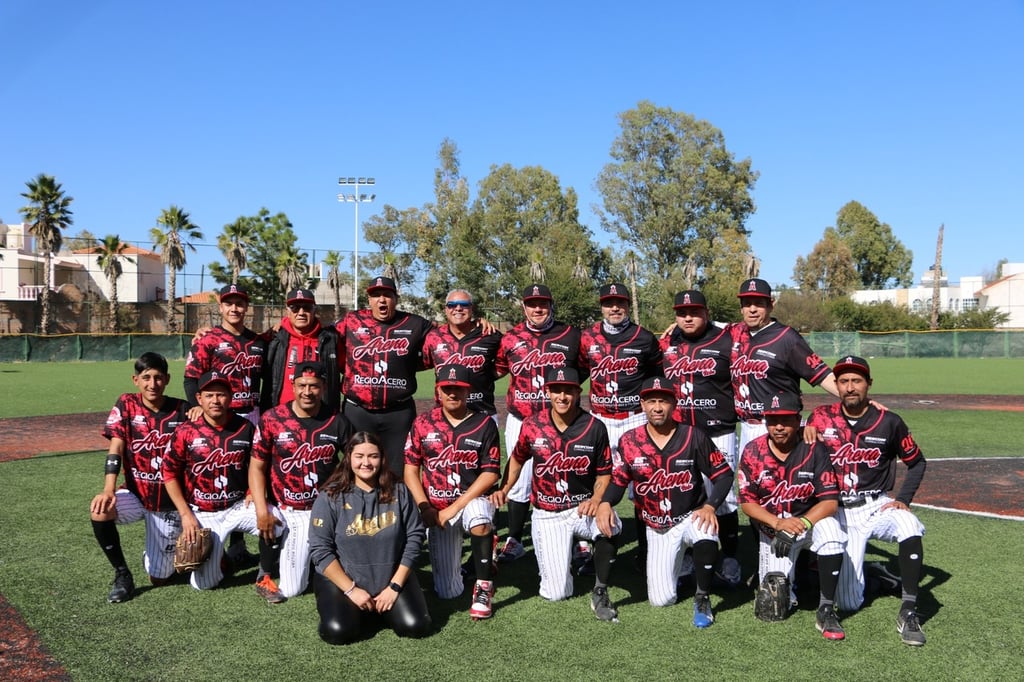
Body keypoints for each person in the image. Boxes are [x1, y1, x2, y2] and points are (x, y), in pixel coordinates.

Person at [806, 356, 928, 646]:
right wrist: (803, 430)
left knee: (909, 526)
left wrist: (904, 499)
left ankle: (909, 609)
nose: (850, 387)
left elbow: (917, 462)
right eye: (844, 381)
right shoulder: (819, 417)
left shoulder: (889, 422)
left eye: (857, 381)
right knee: (849, 602)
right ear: (836, 385)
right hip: (835, 509)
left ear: (868, 384)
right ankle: (875, 574)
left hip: (874, 505)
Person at [597, 376, 734, 627]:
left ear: (675, 404)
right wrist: (606, 502)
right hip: (656, 526)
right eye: (651, 401)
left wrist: (710, 506)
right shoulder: (630, 440)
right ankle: (688, 567)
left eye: (663, 401)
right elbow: (618, 480)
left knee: (706, 532)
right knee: (662, 599)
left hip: (690, 515)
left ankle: (702, 596)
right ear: (642, 404)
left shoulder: (693, 436)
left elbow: (724, 474)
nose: (657, 407)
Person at [491, 367, 622, 622]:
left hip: (581, 507)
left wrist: (597, 501)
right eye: (556, 391)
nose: (562, 397)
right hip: (547, 512)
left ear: (578, 392)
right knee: (557, 593)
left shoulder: (594, 426)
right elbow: (517, 460)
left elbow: (605, 473)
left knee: (612, 523)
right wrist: (505, 488)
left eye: (569, 391)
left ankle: (600, 589)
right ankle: (563, 560)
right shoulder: (532, 425)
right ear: (548, 392)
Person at [738, 391, 846, 640]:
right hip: (773, 530)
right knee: (776, 608)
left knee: (831, 532)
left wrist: (803, 522)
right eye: (772, 420)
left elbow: (830, 502)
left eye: (786, 420)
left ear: (798, 421)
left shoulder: (814, 449)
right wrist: (778, 523)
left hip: (809, 523)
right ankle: (806, 577)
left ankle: (827, 609)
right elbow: (748, 503)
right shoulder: (753, 451)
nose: (778, 426)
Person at [161, 371, 282, 590]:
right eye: (209, 395)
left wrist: (250, 493)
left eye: (221, 395)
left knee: (276, 520)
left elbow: (258, 466)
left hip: (237, 506)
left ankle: (265, 573)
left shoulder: (245, 428)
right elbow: (169, 473)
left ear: (230, 397)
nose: (215, 400)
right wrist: (185, 515)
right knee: (204, 585)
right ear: (199, 399)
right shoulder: (185, 432)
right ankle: (222, 560)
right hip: (203, 511)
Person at [308, 432, 432, 644]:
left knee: (415, 626)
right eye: (359, 456)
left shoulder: (399, 490)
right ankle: (357, 610)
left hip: (389, 578)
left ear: (382, 458)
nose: (366, 462)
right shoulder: (330, 496)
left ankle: (378, 609)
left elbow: (415, 537)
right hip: (345, 581)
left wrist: (394, 587)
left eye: (373, 456)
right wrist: (351, 590)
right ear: (348, 458)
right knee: (337, 631)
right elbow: (320, 550)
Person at [494, 283, 586, 563]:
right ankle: (514, 539)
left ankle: (580, 540)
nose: (537, 309)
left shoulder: (570, 335)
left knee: (570, 476)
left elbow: (584, 366)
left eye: (543, 304)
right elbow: (497, 368)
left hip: (561, 420)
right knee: (518, 479)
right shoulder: (510, 338)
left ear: (550, 306)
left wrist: (563, 393)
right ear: (524, 307)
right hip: (521, 418)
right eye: (532, 304)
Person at [403, 364, 502, 620]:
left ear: (468, 391)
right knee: (448, 591)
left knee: (480, 518)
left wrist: (454, 508)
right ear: (438, 390)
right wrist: (424, 506)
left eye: (458, 388)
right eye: (447, 388)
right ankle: (482, 556)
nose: (452, 394)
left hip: (469, 501)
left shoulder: (483, 423)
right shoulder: (423, 423)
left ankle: (483, 588)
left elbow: (490, 473)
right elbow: (410, 469)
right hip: (435, 508)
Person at [249, 361, 353, 602]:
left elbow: (354, 463)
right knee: (294, 589)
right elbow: (257, 466)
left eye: (314, 386)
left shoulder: (337, 421)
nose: (308, 392)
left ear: (324, 387)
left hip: (322, 507)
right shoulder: (273, 418)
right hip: (284, 507)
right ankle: (266, 570)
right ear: (292, 385)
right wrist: (261, 507)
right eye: (302, 385)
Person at [90, 352, 189, 603]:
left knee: (160, 577)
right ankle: (122, 573)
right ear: (136, 380)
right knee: (101, 510)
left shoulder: (182, 410)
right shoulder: (127, 404)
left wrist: (199, 410)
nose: (152, 384)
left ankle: (159, 553)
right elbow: (116, 449)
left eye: (158, 377)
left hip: (167, 504)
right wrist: (108, 489)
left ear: (167, 379)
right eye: (146, 378)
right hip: (135, 494)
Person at [659, 290, 742, 587]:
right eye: (682, 312)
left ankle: (730, 556)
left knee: (725, 498)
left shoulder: (727, 338)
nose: (688, 317)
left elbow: (761, 324)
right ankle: (691, 555)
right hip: (681, 433)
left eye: (694, 311)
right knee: (688, 494)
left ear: (706, 312)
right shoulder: (667, 343)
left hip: (718, 430)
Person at [183, 282, 266, 568]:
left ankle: (240, 543)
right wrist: (194, 405)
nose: (234, 308)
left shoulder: (257, 342)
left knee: (247, 477)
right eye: (229, 303)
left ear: (247, 307)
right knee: (224, 471)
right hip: (221, 417)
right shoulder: (207, 340)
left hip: (251, 413)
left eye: (240, 303)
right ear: (220, 307)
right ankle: (223, 538)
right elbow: (191, 377)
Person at [335, 276, 434, 475]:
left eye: (387, 295)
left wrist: (477, 324)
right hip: (357, 410)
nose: (381, 300)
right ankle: (359, 506)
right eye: (376, 295)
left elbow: (447, 339)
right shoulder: (351, 321)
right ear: (369, 299)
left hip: (398, 412)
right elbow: (321, 337)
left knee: (398, 470)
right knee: (358, 468)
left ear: (395, 298)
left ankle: (394, 506)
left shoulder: (415, 323)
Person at [729, 278, 838, 454]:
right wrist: (675, 328)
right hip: (747, 427)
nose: (752, 309)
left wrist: (862, 402)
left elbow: (823, 375)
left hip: (781, 426)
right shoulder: (736, 333)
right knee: (750, 481)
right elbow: (704, 326)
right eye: (747, 303)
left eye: (759, 303)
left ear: (771, 305)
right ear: (741, 308)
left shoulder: (787, 338)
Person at [422, 289, 503, 421]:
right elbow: (426, 363)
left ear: (472, 308)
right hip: (444, 413)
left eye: (464, 304)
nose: (458, 308)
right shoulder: (433, 337)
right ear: (446, 309)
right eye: (452, 305)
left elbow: (507, 361)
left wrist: (487, 376)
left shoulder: (489, 334)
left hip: (482, 411)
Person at [261, 288, 342, 411]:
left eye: (307, 307)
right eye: (295, 308)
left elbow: (349, 370)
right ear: (287, 311)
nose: (301, 312)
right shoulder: (273, 339)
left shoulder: (331, 340)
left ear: (315, 310)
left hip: (322, 416)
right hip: (281, 415)